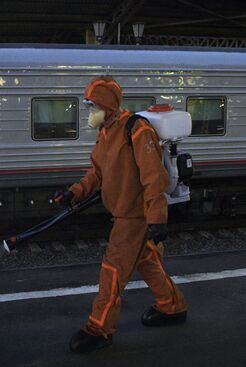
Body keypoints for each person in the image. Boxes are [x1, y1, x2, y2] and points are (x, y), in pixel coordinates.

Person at [56, 76, 187, 353]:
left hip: (135, 217)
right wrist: (74, 192)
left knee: (112, 270)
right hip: (123, 213)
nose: (90, 113)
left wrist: (157, 218)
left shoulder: (136, 130)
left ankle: (99, 329)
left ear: (108, 106)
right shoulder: (105, 132)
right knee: (148, 261)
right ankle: (172, 306)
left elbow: (154, 178)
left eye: (94, 107)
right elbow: (97, 173)